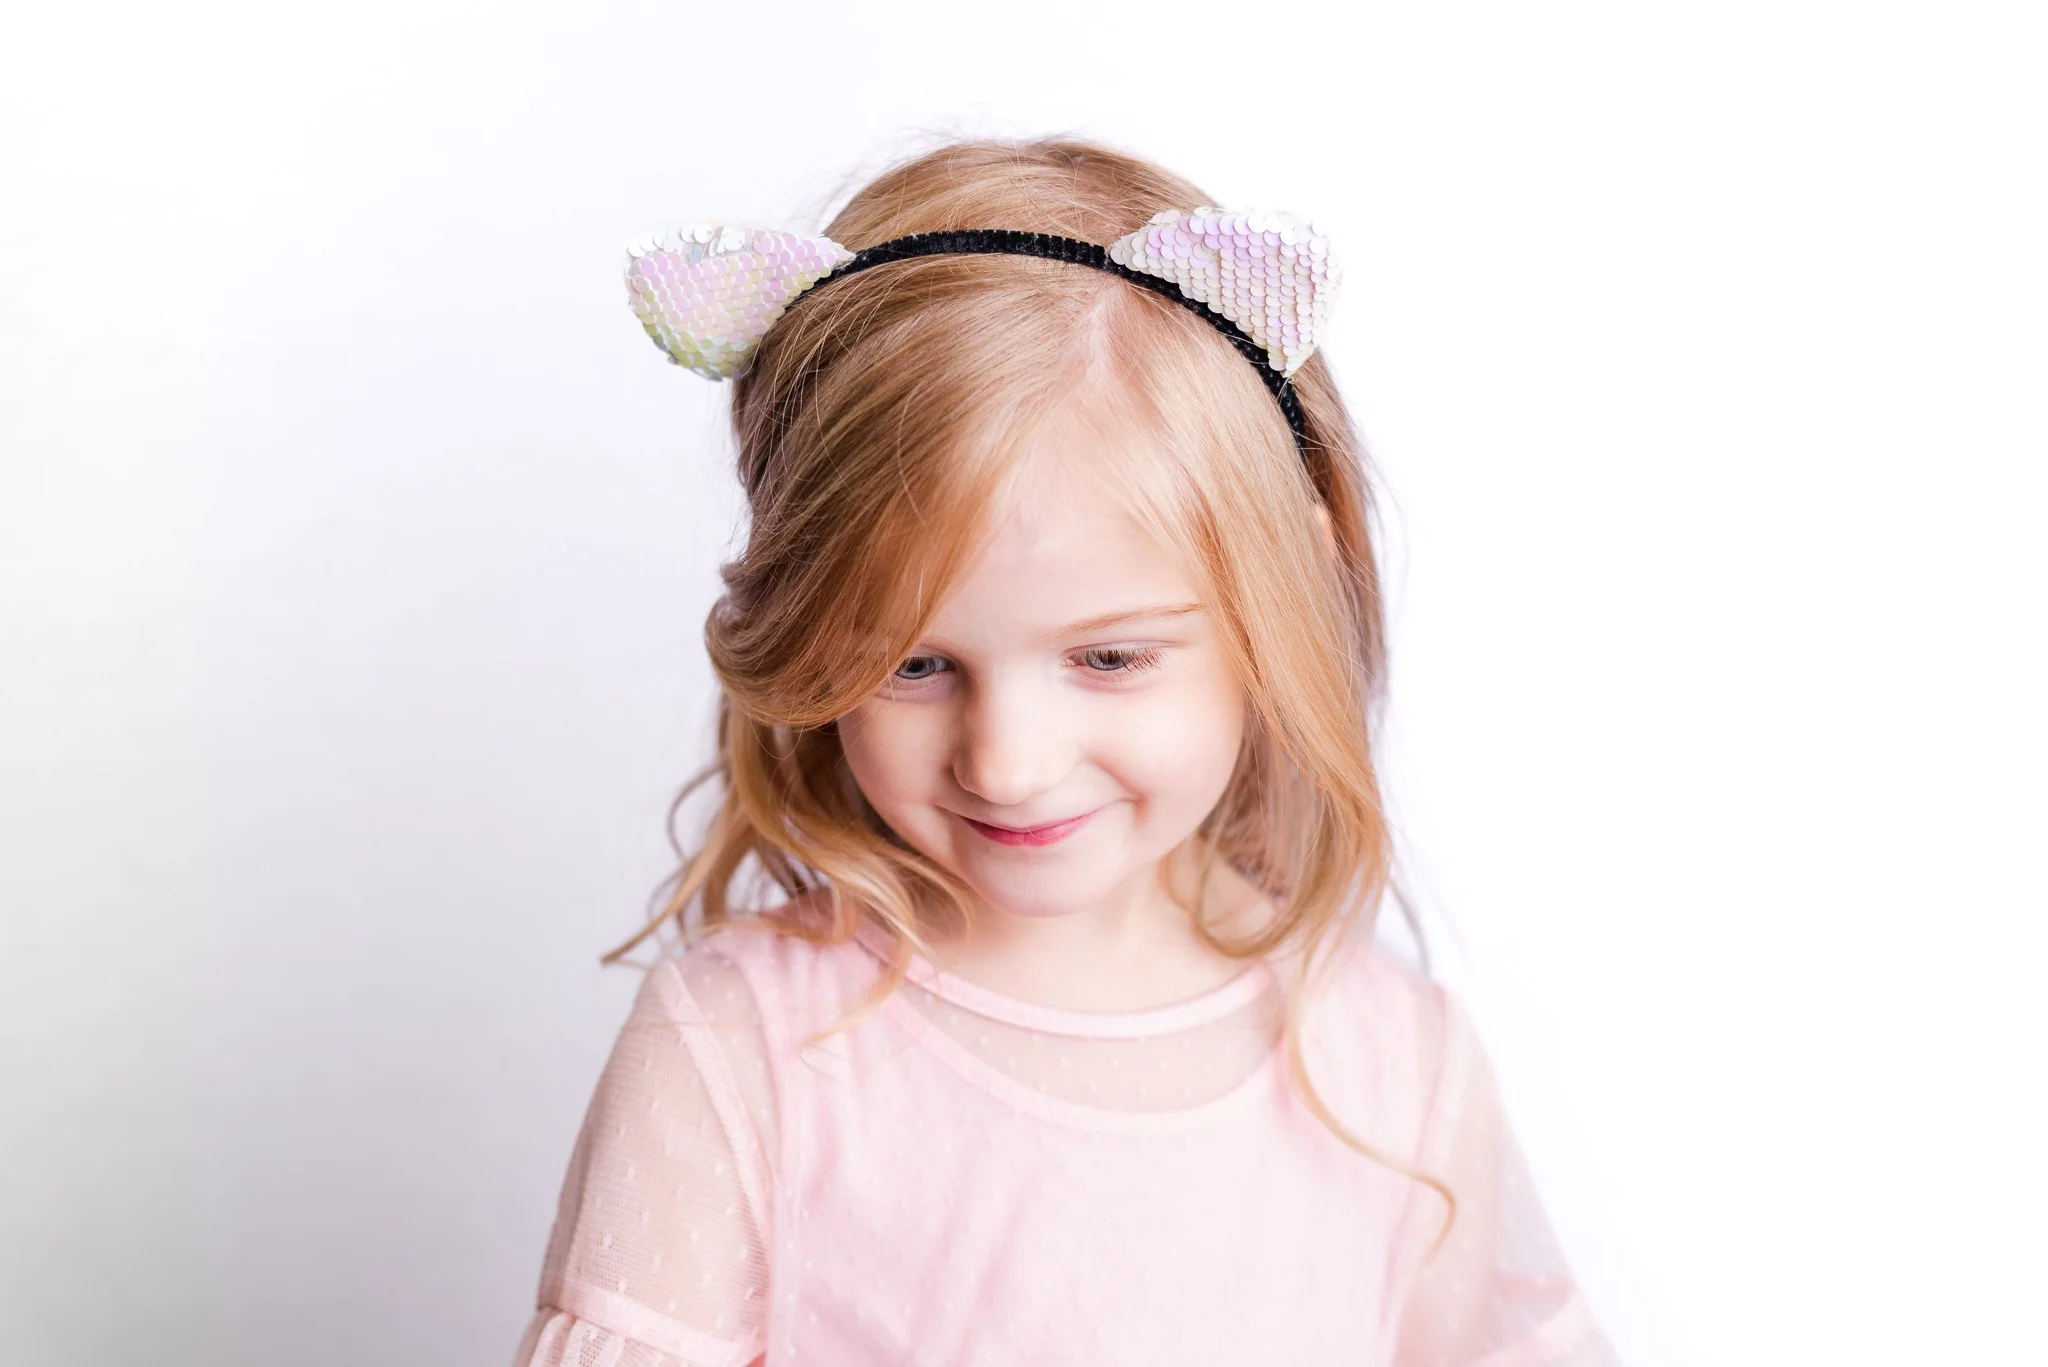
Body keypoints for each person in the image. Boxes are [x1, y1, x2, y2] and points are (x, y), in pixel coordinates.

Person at [510, 136, 1620, 1366]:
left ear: (1285, 597)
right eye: (913, 665)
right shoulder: (741, 1043)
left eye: (1108, 656)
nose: (1007, 763)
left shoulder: (1393, 1061)